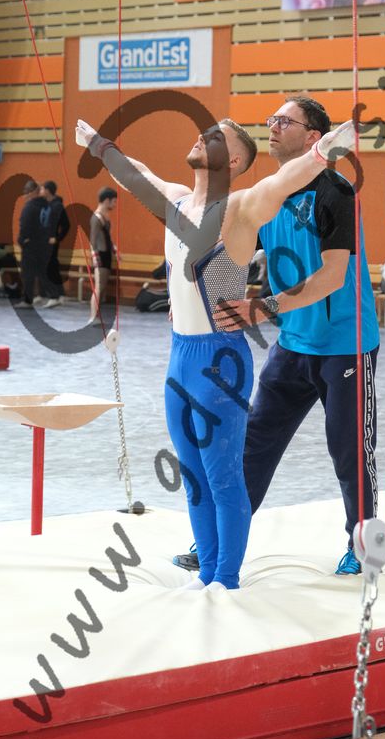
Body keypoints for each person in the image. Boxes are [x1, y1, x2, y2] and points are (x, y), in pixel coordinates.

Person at [76, 113, 355, 592]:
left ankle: (226, 580)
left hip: (219, 361)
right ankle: (207, 572)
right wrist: (99, 145)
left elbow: (284, 180)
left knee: (223, 477)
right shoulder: (176, 202)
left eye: (214, 139)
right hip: (179, 357)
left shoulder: (240, 209)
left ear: (235, 160)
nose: (201, 138)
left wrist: (323, 150)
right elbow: (136, 174)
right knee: (193, 478)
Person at [202, 96, 380, 577]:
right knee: (254, 443)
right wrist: (194, 292)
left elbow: (332, 277)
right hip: (292, 344)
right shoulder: (270, 196)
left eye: (285, 120)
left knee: (350, 451)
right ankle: (220, 540)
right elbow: (234, 251)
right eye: (272, 120)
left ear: (313, 138)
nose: (274, 126)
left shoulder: (336, 193)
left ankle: (364, 547)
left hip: (345, 344)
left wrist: (260, 308)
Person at [17, 179, 50, 308]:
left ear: (31, 192)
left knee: (28, 273)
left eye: (26, 192)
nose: (24, 195)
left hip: (30, 244)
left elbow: (25, 226)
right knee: (42, 271)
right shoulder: (46, 206)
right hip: (44, 244)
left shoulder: (30, 207)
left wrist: (22, 240)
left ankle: (27, 300)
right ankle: (42, 295)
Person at [87, 187, 117, 325]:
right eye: (113, 201)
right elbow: (93, 240)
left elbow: (107, 237)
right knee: (98, 287)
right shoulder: (96, 218)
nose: (115, 205)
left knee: (102, 287)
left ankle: (97, 315)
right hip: (99, 255)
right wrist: (95, 257)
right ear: (106, 200)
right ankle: (93, 316)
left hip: (106, 254)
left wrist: (114, 250)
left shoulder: (105, 216)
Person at [40, 180, 70, 307]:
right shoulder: (46, 205)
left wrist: (57, 238)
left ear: (47, 190)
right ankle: (60, 294)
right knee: (53, 267)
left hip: (50, 242)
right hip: (43, 242)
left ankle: (53, 295)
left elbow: (66, 225)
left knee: (46, 268)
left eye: (42, 189)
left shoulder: (57, 206)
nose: (41, 191)